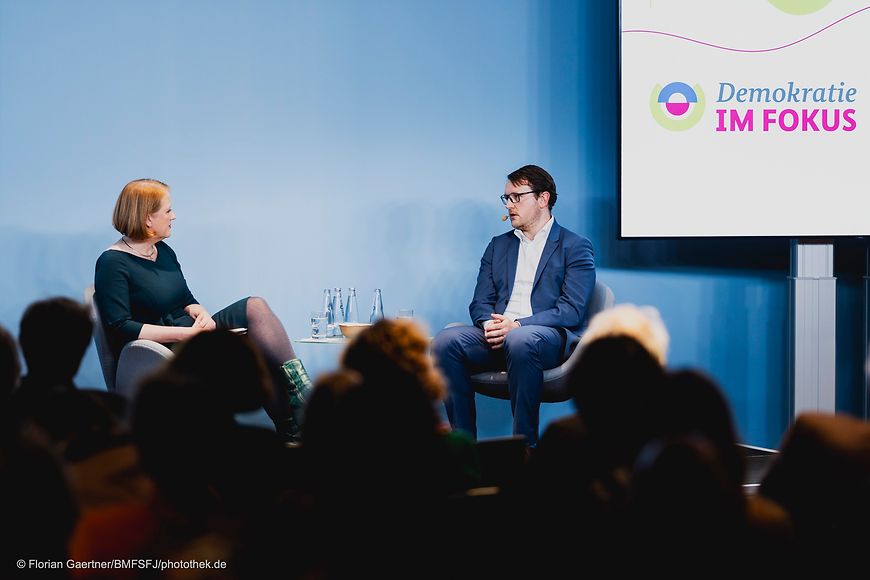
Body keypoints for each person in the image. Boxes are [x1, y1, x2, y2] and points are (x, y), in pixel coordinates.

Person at [93, 178, 311, 441]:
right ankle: (296, 422)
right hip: (161, 350)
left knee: (255, 307)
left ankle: (299, 399)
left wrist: (201, 313)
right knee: (254, 353)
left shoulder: (162, 251)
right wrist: (187, 336)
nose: (174, 216)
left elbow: (185, 298)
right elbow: (120, 327)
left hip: (191, 334)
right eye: (168, 210)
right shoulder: (112, 262)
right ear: (148, 219)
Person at [431, 165, 596, 446]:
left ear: (543, 199)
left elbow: (571, 310)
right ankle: (462, 447)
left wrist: (518, 325)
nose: (509, 205)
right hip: (498, 334)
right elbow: (480, 302)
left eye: (516, 197)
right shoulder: (498, 246)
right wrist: (490, 324)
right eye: (506, 198)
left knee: (520, 339)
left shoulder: (575, 246)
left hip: (543, 338)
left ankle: (524, 448)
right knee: (445, 341)